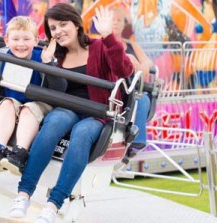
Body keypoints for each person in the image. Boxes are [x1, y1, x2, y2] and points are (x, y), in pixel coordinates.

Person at [9, 4, 133, 223]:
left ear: (76, 24)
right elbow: (23, 55)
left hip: (96, 113)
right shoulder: (53, 54)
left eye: (63, 24)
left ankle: (53, 204)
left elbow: (124, 70)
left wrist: (108, 36)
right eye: (53, 28)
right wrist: (48, 64)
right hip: (66, 108)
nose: (58, 31)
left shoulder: (99, 47)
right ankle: (23, 194)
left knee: (82, 135)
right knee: (53, 123)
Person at [0, 16, 53, 176]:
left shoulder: (42, 57)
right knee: (6, 103)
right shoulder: (0, 57)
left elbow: (57, 85)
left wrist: (48, 64)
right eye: (16, 39)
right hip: (12, 101)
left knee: (28, 110)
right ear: (7, 40)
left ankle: (19, 154)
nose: (21, 44)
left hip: (37, 102)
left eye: (26, 39)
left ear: (36, 40)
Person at [112, 7, 154, 158]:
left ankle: (136, 142)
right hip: (114, 89)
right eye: (113, 20)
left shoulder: (131, 44)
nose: (116, 23)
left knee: (141, 99)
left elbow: (148, 62)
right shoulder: (101, 44)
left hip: (132, 89)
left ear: (124, 25)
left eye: (119, 20)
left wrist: (143, 66)